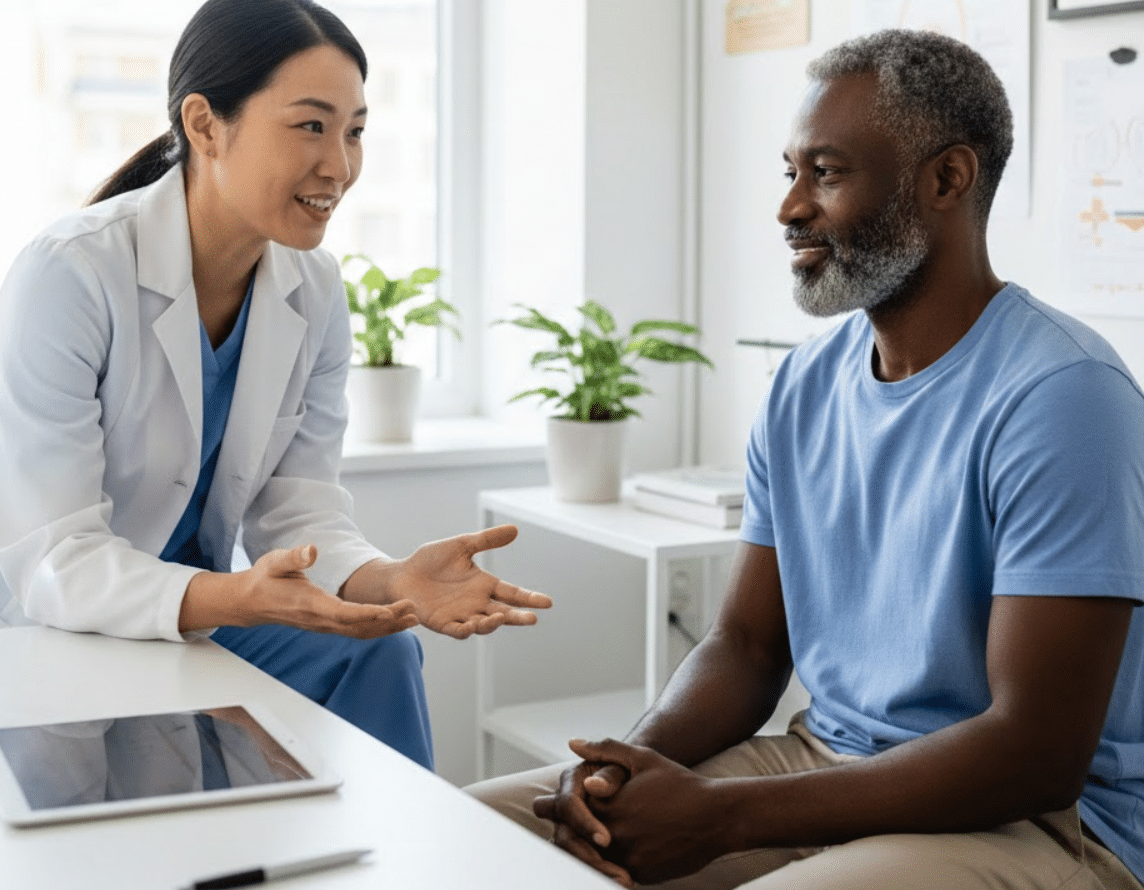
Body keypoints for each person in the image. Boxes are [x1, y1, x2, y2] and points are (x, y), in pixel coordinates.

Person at [467, 29, 1144, 890]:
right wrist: (623, 771)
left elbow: (1033, 753)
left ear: (946, 179)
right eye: (789, 172)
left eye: (824, 173)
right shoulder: (802, 384)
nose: (789, 208)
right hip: (821, 763)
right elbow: (746, 647)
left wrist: (721, 819)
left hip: (1036, 823)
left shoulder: (1064, 395)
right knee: (477, 838)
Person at [0, 0, 552, 771]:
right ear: (204, 125)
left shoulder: (314, 289)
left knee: (379, 648)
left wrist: (391, 579)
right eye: (310, 126)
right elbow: (56, 559)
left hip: (193, 607)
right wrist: (239, 597)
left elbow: (299, 509)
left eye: (354, 130)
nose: (340, 165)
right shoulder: (71, 272)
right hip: (18, 627)